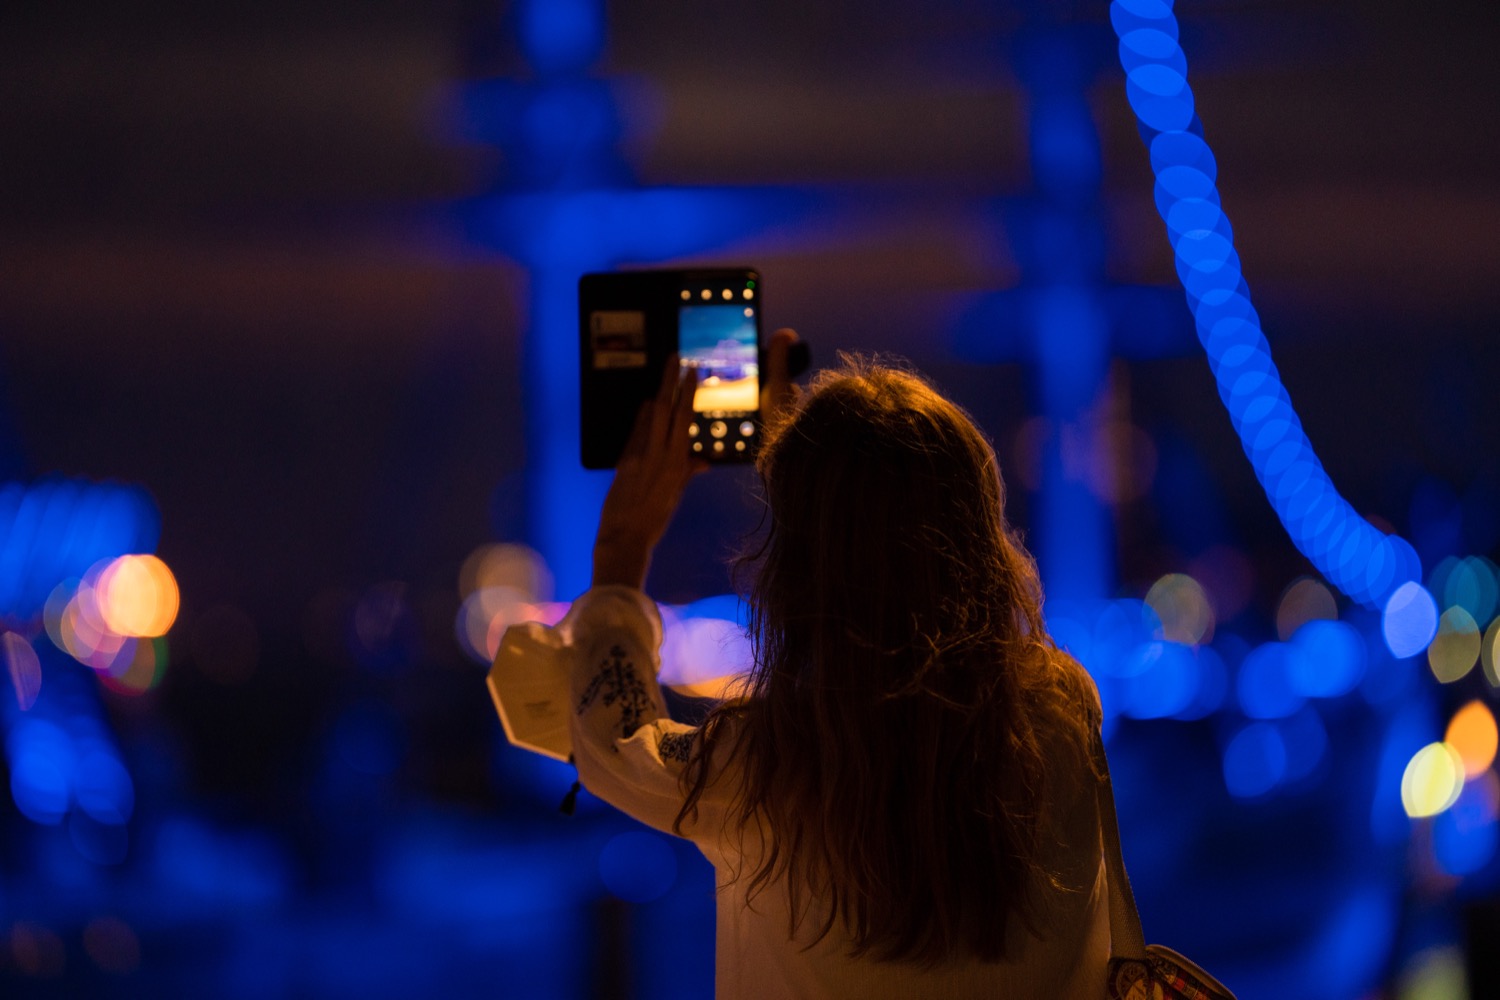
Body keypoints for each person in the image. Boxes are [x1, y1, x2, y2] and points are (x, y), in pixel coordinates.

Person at [563, 330, 1110, 998]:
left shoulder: (761, 771)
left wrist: (622, 548)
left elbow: (619, 742)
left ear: (797, 577)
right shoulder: (1062, 716)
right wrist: (811, 472)